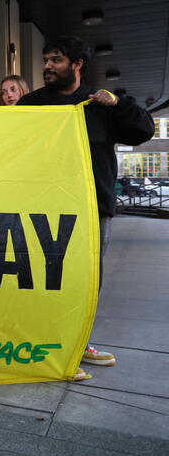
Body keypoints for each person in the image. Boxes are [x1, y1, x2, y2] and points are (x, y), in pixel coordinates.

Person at [17, 36, 154, 380]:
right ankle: (43, 346)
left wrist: (118, 103)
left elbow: (143, 131)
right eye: (46, 59)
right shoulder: (31, 105)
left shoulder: (100, 104)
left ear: (78, 65)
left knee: (87, 278)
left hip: (94, 207)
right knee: (40, 276)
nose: (47, 66)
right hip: (44, 208)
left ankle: (78, 344)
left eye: (57, 60)